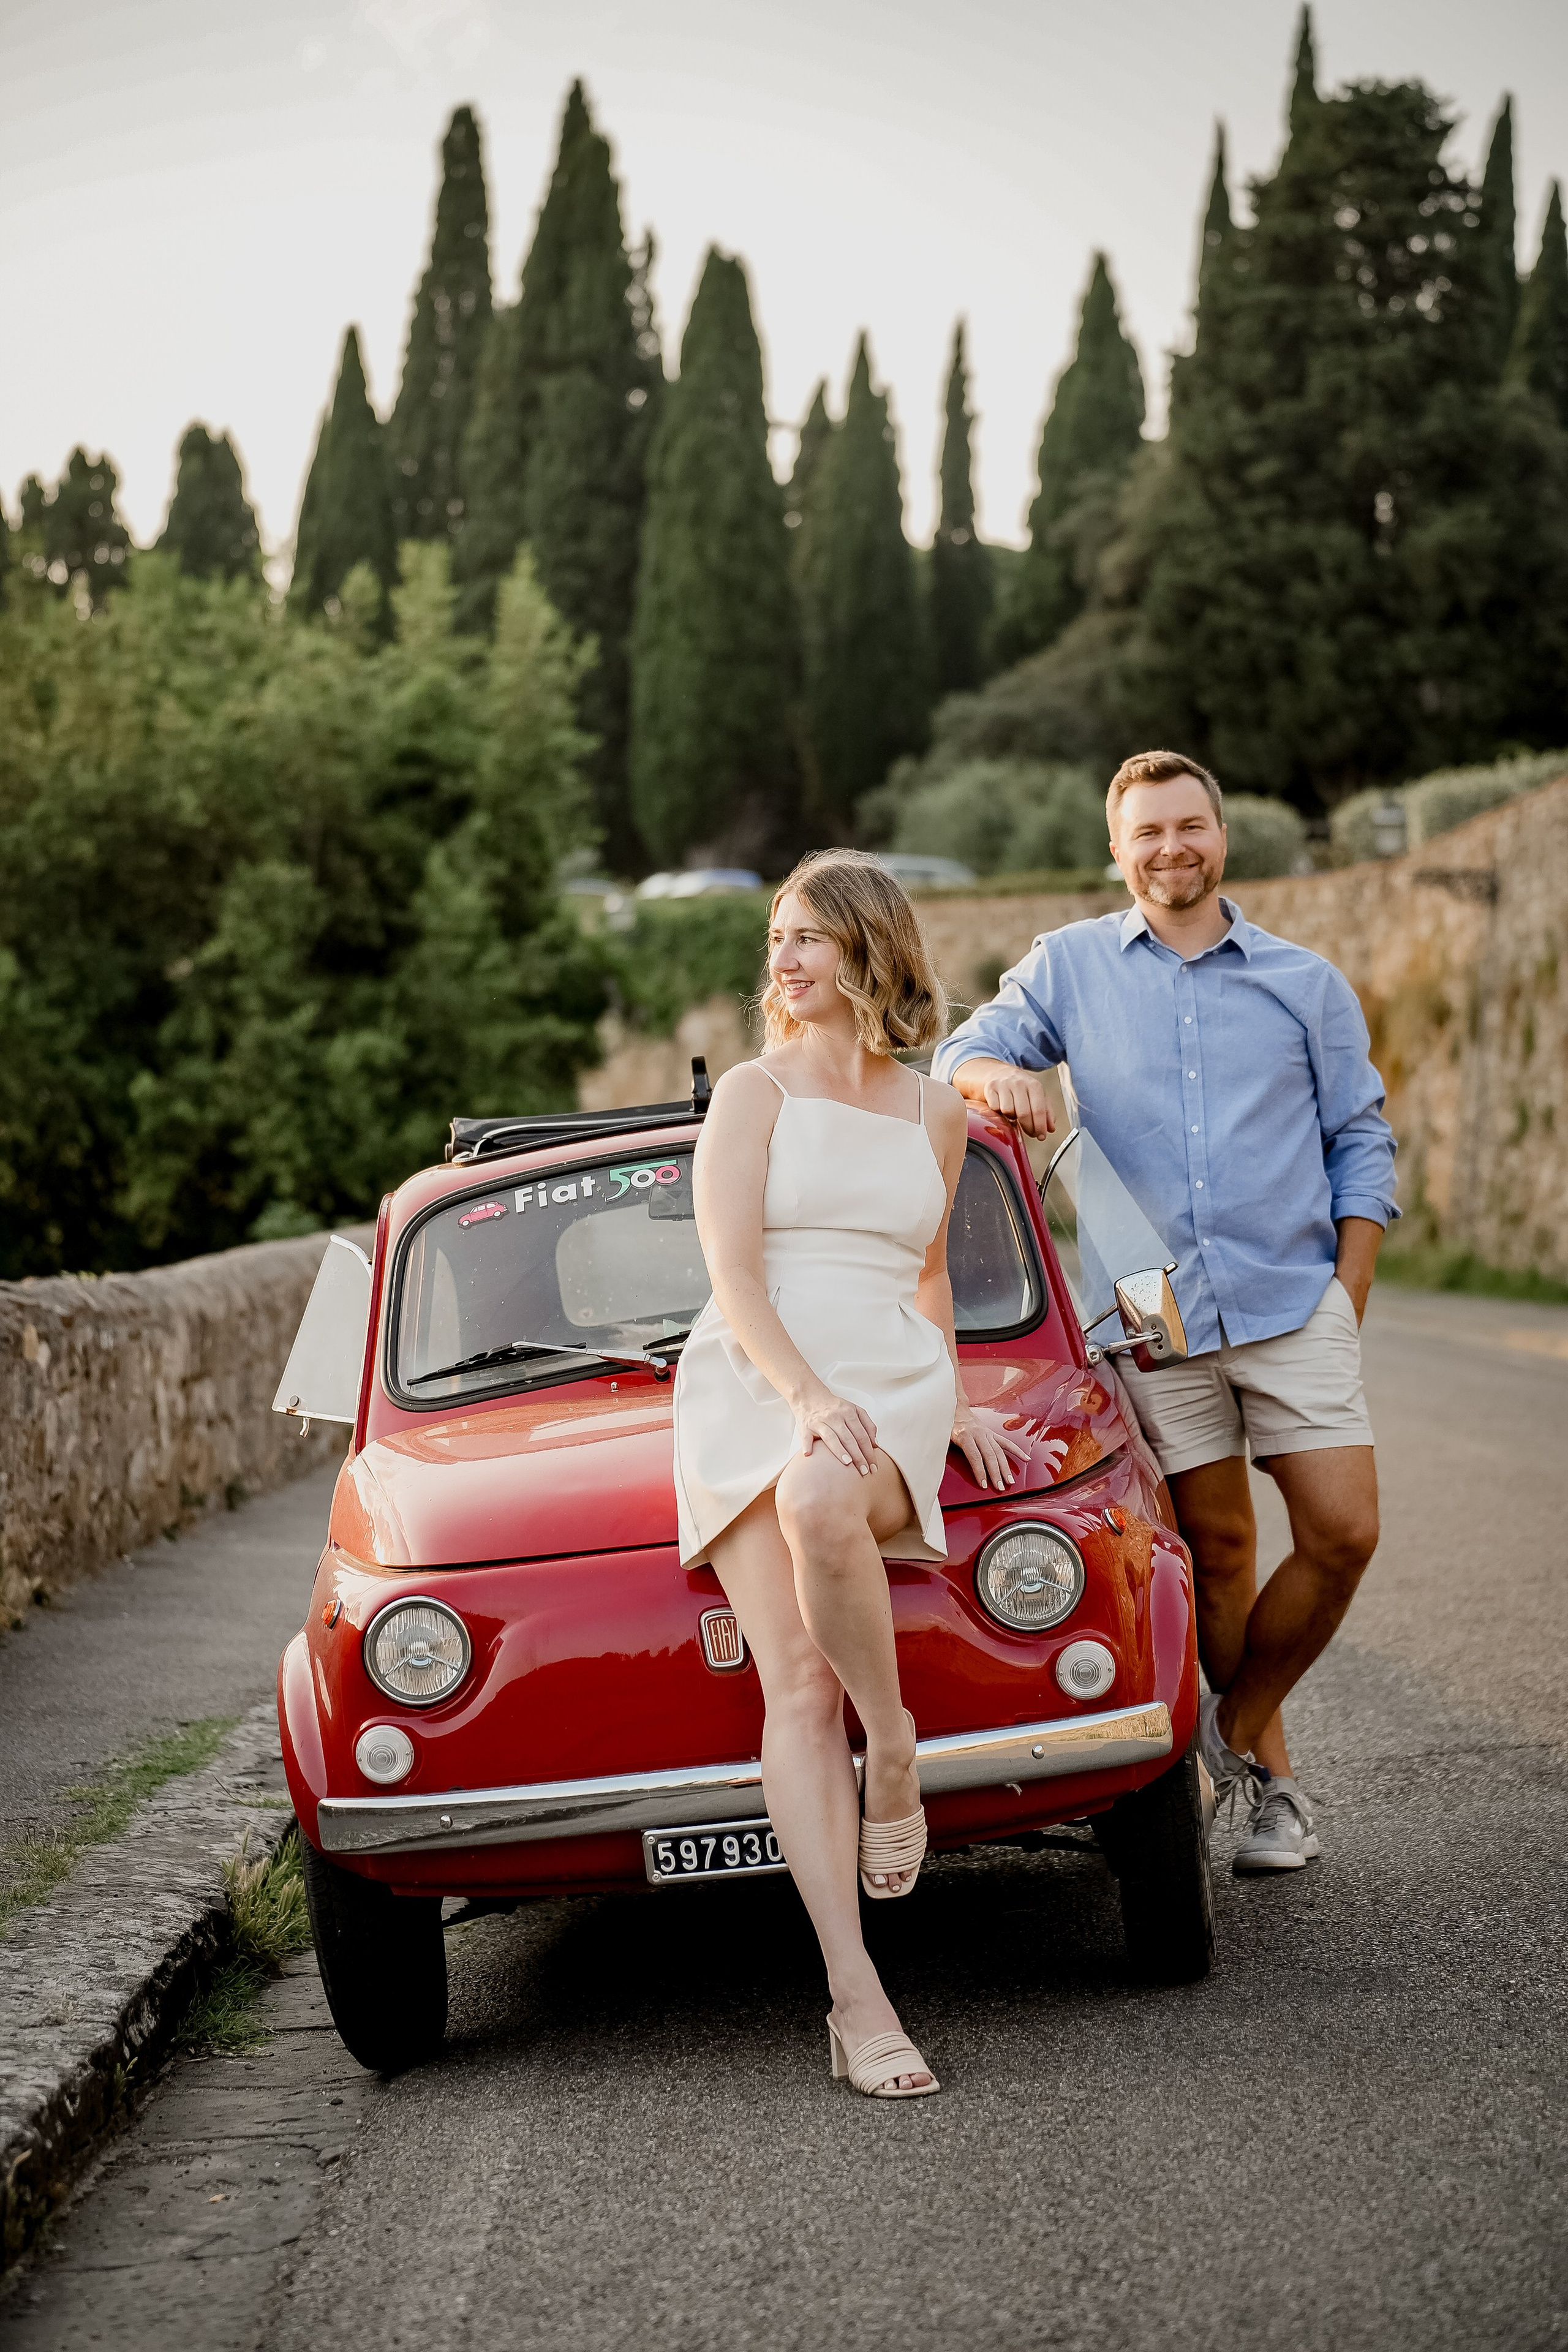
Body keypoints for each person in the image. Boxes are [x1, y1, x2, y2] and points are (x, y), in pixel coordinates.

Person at [933, 749, 1398, 1874]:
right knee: (1222, 1553)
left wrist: (1350, 1292)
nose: (1170, 848)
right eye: (1148, 832)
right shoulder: (1069, 967)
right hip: (1151, 1320)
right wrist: (997, 1076)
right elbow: (960, 1053)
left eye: (1189, 826)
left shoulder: (1303, 981)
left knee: (1343, 1533)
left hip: (1296, 1303)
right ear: (1116, 848)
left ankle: (1225, 1733)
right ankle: (1277, 1791)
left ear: (1220, 836)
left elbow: (1362, 1138)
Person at [674, 850, 1027, 2099]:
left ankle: (894, 1746)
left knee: (827, 1495)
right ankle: (855, 1994)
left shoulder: (937, 1113)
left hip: (890, 1370)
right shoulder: (753, 1097)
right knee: (794, 1692)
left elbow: (925, 1275)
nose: (782, 959)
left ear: (870, 950)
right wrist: (807, 1397)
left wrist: (960, 1394)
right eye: (775, 938)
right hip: (757, 1377)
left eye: (808, 938)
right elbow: (733, 1277)